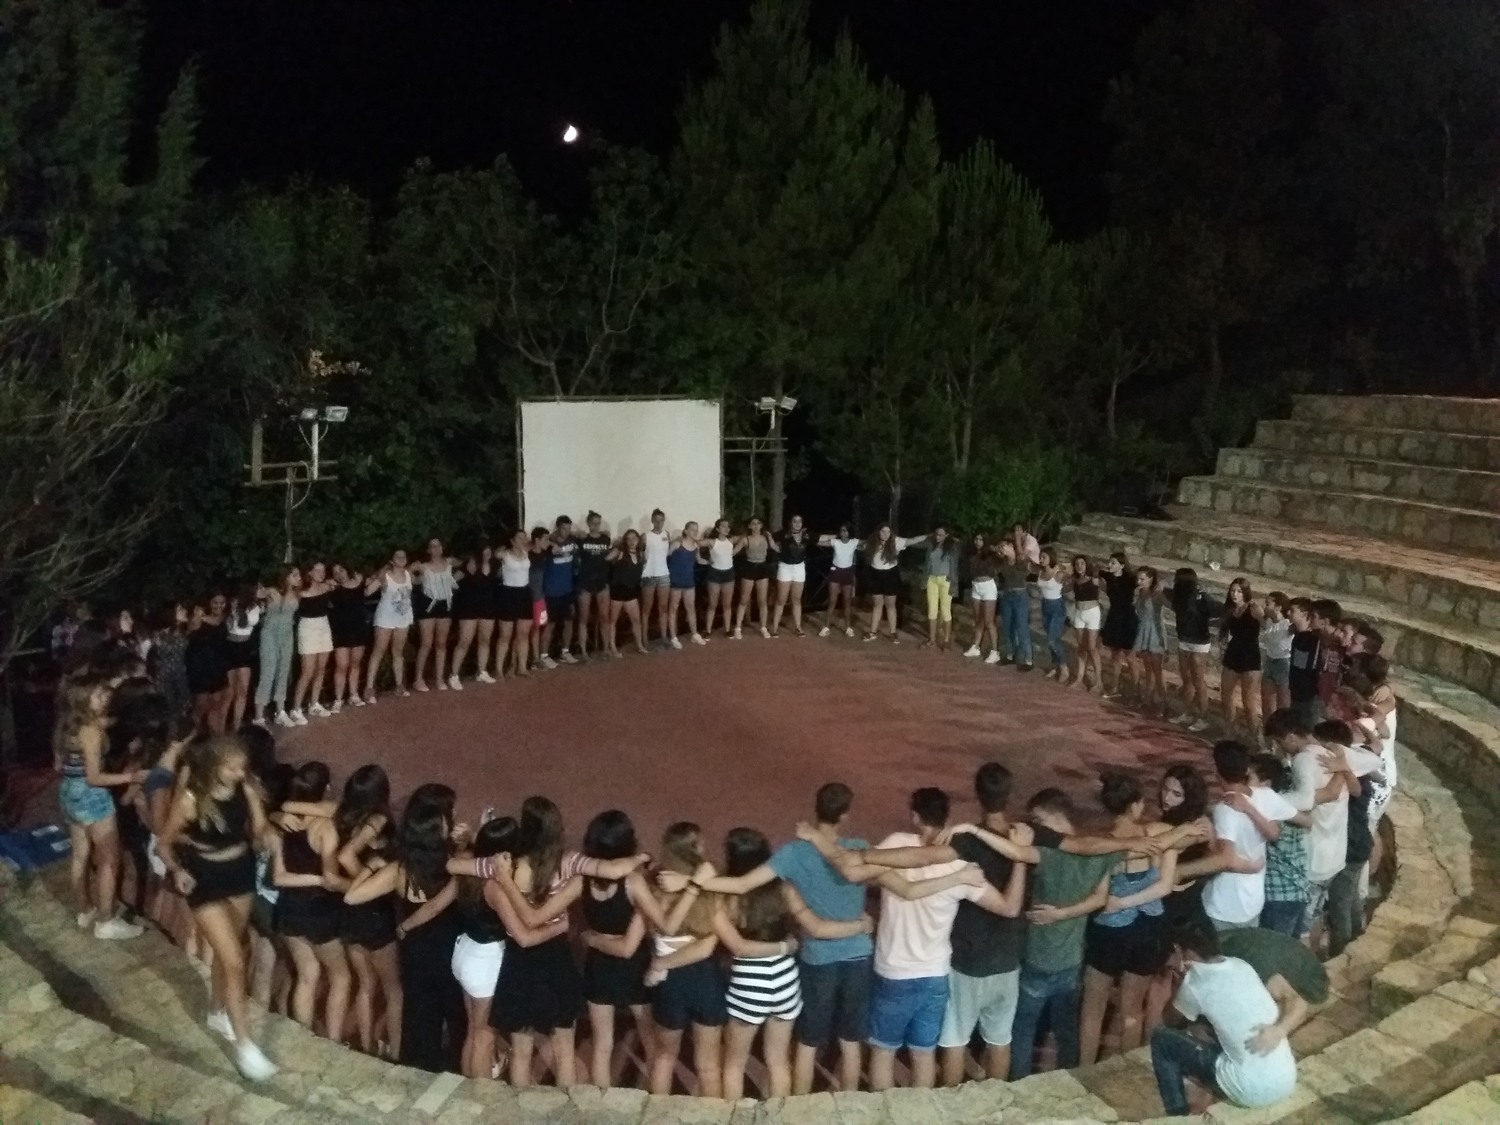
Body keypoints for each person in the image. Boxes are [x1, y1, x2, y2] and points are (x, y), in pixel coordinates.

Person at [857, 788, 1022, 1091]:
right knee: (923, 1054)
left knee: (883, 1052)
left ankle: (883, 1110)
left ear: (915, 816)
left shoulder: (895, 844)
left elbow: (861, 873)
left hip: (893, 971)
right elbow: (1008, 908)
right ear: (947, 818)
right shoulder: (959, 866)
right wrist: (1020, 858)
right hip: (935, 974)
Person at [709, 827, 874, 1100]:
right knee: (778, 1060)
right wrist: (858, 926)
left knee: (734, 1064)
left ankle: (736, 1115)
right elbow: (814, 926)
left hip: (749, 982)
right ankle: (782, 1115)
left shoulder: (723, 897)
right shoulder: (784, 889)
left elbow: (738, 947)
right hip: (784, 979)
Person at [157, 734, 278, 1080]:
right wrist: (178, 870)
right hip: (205, 879)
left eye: (242, 767)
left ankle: (216, 1011)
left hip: (240, 872)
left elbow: (258, 830)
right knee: (235, 961)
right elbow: (164, 843)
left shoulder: (245, 788)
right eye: (233, 768)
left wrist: (263, 824)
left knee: (230, 954)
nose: (240, 773)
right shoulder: (191, 800)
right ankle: (245, 1047)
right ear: (214, 767)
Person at [345, 784, 467, 1073]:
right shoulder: (453, 863)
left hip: (416, 948)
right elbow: (437, 906)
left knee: (420, 1007)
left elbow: (352, 896)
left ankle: (420, 1065)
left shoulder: (399, 869)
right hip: (448, 944)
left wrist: (370, 868)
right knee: (456, 1009)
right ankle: (456, 1064)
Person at [486, 796, 588, 1088]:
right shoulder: (565, 865)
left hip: (520, 962)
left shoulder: (514, 868)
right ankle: (565, 1107)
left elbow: (524, 921)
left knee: (521, 1052)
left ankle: (521, 1107)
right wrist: (561, 926)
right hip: (556, 959)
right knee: (565, 1051)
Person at [1078, 773, 1179, 1066]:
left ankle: (1085, 1069)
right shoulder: (1157, 836)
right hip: (1148, 927)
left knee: (1093, 1008)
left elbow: (1096, 890)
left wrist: (1117, 902)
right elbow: (1165, 885)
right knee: (1132, 1009)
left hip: (1109, 929)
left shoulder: (1102, 844)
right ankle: (1124, 1069)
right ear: (1135, 805)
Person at [1150, 919, 1299, 1117]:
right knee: (1207, 1030)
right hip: (1286, 1079)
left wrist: (1178, 987)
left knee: (1161, 1039)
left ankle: (1177, 1115)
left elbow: (1170, 1021)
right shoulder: (1241, 965)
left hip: (1251, 1090)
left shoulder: (1195, 983)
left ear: (1179, 949)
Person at [937, 764, 1026, 1084]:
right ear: (1009, 794)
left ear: (977, 794)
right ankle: (996, 1102)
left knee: (954, 1039)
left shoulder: (964, 841)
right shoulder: (1022, 841)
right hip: (1007, 958)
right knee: (1000, 1039)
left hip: (968, 959)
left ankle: (952, 1104)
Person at [55, 672, 146, 939]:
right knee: (109, 860)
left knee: (80, 855)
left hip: (69, 791)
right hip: (92, 797)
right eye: (98, 694)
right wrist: (131, 777)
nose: (105, 697)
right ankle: (106, 921)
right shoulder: (91, 731)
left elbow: (61, 763)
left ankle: (85, 909)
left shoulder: (66, 725)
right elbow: (94, 777)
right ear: (84, 698)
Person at [270, 761, 351, 1043]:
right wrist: (324, 881)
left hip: (289, 908)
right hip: (319, 911)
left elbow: (279, 877)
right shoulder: (325, 827)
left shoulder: (284, 825)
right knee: (341, 977)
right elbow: (330, 877)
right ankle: (334, 1042)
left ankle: (303, 1037)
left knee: (307, 974)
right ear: (326, 789)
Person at [333, 765, 402, 1058]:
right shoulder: (377, 820)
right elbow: (346, 855)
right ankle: (396, 1053)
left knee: (365, 984)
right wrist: (369, 880)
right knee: (394, 990)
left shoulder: (344, 817)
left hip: (351, 916)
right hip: (375, 915)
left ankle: (365, 1044)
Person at [1202, 741, 1297, 933]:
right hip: (1252, 901)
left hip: (1224, 904)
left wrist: (1210, 837)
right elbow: (1275, 833)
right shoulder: (1266, 795)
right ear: (1246, 769)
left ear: (1217, 772)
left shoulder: (1225, 810)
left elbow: (1225, 858)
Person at [363, 549, 415, 701]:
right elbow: (367, 591)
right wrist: (375, 578)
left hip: (403, 618)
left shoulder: (409, 575)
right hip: (385, 618)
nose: (401, 558)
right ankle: (369, 688)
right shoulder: (385, 576)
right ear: (391, 560)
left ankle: (399, 685)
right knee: (378, 651)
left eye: (403, 556)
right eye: (397, 556)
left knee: (398, 652)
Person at [1169, 568, 1216, 730]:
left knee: (1198, 680)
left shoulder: (1202, 597)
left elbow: (1219, 610)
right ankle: (1188, 712)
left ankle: (1203, 716)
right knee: (1186, 679)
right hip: (1184, 639)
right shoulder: (1178, 596)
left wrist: (1207, 623)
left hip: (1199, 642)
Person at [291, 561, 335, 721]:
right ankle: (296, 709)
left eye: (323, 571)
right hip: (307, 627)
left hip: (323, 625)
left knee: (321, 668)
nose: (321, 574)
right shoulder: (301, 591)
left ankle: (314, 703)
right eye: (317, 570)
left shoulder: (327, 587)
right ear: (309, 572)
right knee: (307, 671)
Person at [1219, 578, 1264, 736]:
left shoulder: (1253, 608)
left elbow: (1265, 624)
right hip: (1233, 653)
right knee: (1226, 695)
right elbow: (1224, 630)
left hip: (1250, 656)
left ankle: (1256, 738)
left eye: (1239, 591)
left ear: (1245, 592)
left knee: (1249, 702)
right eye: (1233, 590)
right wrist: (1222, 646)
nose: (1235, 594)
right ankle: (1229, 731)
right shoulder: (1230, 609)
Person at [863, 524, 919, 643]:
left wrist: (928, 536)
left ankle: (893, 633)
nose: (886, 534)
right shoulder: (871, 543)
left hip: (890, 575)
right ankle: (872, 632)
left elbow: (912, 540)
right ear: (878, 532)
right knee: (877, 604)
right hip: (875, 574)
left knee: (890, 605)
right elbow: (856, 544)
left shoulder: (895, 542)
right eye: (883, 531)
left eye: (888, 532)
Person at [449, 551, 498, 687]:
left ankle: (482, 671)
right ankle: (454, 675)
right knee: (464, 641)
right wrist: (460, 590)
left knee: (485, 640)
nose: (487, 554)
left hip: (488, 607)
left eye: (489, 552)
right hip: (469, 608)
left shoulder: (494, 565)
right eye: (484, 552)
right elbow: (452, 581)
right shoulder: (468, 565)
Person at [494, 529, 538, 676]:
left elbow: (540, 542)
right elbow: (494, 553)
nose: (523, 540)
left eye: (524, 538)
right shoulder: (504, 554)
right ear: (512, 540)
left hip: (524, 593)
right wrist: (500, 548)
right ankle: (499, 669)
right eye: (519, 538)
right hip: (508, 593)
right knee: (505, 635)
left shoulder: (526, 551)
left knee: (523, 634)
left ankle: (522, 667)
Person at [186, 594, 232, 734]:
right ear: (208, 603)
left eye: (222, 602)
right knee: (200, 706)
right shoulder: (198, 618)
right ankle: (190, 737)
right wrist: (197, 618)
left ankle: (215, 738)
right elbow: (189, 635)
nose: (219, 605)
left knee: (216, 705)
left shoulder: (226, 618)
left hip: (217, 667)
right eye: (215, 602)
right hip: (200, 668)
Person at [328, 564, 371, 710]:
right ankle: (338, 699)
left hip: (358, 628)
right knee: (341, 665)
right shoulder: (333, 589)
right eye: (335, 573)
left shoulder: (359, 585)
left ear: (347, 570)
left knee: (355, 663)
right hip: (341, 630)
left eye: (341, 570)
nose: (339, 574)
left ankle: (353, 694)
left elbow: (376, 580)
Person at [541, 516, 580, 667]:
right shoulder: (548, 542)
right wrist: (550, 542)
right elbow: (533, 545)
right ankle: (544, 655)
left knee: (569, 621)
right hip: (551, 590)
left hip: (567, 589)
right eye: (564, 528)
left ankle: (565, 651)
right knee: (550, 624)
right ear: (557, 528)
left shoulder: (572, 540)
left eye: (569, 528)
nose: (567, 531)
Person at [576, 512, 614, 658]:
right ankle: (583, 651)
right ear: (588, 523)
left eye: (598, 523)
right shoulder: (582, 539)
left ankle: (606, 648)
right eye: (593, 523)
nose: (596, 526)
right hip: (585, 582)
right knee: (583, 618)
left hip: (602, 582)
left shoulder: (605, 539)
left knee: (604, 617)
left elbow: (610, 555)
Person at [1099, 552, 1138, 697]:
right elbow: (1099, 572)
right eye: (1109, 562)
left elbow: (1141, 583)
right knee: (1115, 654)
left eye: (1113, 563)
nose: (1110, 565)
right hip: (1114, 615)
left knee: (1130, 655)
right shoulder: (1109, 577)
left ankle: (1136, 690)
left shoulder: (1130, 579)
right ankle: (1114, 687)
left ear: (1122, 565)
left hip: (1127, 616)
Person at [605, 529, 648, 657]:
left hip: (631, 591)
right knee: (613, 621)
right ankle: (613, 648)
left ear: (638, 540)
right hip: (618, 591)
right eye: (628, 539)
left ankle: (640, 646)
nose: (631, 541)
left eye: (634, 538)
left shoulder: (640, 554)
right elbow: (607, 558)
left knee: (636, 620)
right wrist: (617, 546)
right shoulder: (620, 552)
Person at [1132, 567, 1169, 714]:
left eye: (1142, 579)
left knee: (1158, 671)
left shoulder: (1156, 594)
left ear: (1151, 579)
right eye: (1138, 579)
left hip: (1155, 632)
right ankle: (1148, 700)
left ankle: (1163, 703)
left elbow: (1170, 605)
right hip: (1143, 631)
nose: (1139, 582)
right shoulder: (1139, 592)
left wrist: (1163, 587)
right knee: (1148, 670)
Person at [147, 601, 192, 721]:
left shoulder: (187, 633)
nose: (185, 611)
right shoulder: (160, 635)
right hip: (165, 678)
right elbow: (153, 656)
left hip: (182, 677)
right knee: (169, 712)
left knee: (183, 711)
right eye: (180, 609)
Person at [223, 588, 260, 730]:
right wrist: (233, 612)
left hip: (245, 647)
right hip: (230, 647)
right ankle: (222, 725)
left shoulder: (255, 607)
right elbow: (229, 627)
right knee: (230, 691)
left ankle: (236, 726)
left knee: (243, 689)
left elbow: (250, 622)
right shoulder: (231, 607)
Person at [770, 515, 812, 638]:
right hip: (785, 567)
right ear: (790, 523)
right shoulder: (783, 534)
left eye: (800, 521)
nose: (797, 523)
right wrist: (775, 547)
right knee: (781, 599)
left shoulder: (806, 535)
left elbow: (822, 538)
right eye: (795, 521)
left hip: (799, 567)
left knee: (796, 599)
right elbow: (770, 539)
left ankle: (798, 627)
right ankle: (775, 628)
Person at [734, 517, 776, 640]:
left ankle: (763, 627)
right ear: (749, 526)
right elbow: (733, 551)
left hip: (762, 567)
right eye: (753, 523)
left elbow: (774, 547)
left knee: (762, 600)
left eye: (758, 523)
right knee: (744, 600)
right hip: (749, 567)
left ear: (761, 525)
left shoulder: (766, 537)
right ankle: (737, 628)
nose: (756, 526)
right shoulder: (745, 539)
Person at [667, 521, 707, 648]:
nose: (695, 532)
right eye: (692, 529)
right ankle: (673, 637)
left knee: (691, 608)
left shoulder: (695, 546)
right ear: (686, 531)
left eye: (697, 529)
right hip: (676, 581)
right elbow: (666, 555)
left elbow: (699, 560)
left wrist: (712, 562)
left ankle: (694, 634)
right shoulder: (677, 544)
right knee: (673, 608)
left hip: (689, 581)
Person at [962, 532, 1000, 662]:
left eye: (981, 540)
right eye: (976, 539)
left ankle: (995, 651)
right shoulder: (972, 554)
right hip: (976, 586)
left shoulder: (990, 554)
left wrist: (993, 548)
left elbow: (1001, 555)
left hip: (988, 586)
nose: (978, 542)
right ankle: (976, 646)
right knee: (978, 619)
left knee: (989, 621)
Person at [817, 524, 859, 638]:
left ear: (849, 532)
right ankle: (826, 627)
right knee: (832, 601)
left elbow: (867, 544)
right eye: (841, 531)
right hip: (835, 572)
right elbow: (819, 542)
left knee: (847, 602)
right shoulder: (835, 542)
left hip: (847, 573)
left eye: (845, 531)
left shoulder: (854, 542)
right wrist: (810, 539)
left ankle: (848, 628)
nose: (843, 533)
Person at [997, 539, 1034, 671]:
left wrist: (1017, 543)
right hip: (1007, 595)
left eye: (1003, 546)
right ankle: (1010, 654)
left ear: (1010, 546)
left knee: (1021, 627)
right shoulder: (1004, 562)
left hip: (1020, 596)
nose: (1001, 549)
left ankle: (1028, 660)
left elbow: (1025, 566)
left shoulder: (1020, 560)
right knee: (1008, 626)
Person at [1066, 555, 1102, 689]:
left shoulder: (1093, 580)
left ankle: (1098, 681)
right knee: (1081, 647)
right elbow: (1064, 589)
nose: (1079, 566)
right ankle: (1079, 677)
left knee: (1092, 647)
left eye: (1082, 563)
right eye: (1077, 564)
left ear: (1087, 565)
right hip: (1079, 613)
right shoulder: (1075, 580)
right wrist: (1066, 576)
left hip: (1092, 613)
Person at [702, 518, 741, 639]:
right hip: (715, 574)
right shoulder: (712, 542)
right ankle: (708, 630)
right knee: (712, 604)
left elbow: (745, 537)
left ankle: (728, 629)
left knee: (727, 604)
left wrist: (735, 551)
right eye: (723, 526)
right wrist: (702, 559)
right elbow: (694, 543)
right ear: (718, 529)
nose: (726, 528)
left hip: (728, 574)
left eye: (728, 526)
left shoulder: (731, 540)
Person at [921, 525, 959, 651]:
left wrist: (953, 582)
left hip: (945, 580)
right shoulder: (931, 545)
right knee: (932, 610)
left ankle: (946, 640)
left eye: (941, 535)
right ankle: (932, 639)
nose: (938, 537)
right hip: (932, 579)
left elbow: (955, 565)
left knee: (945, 610)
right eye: (936, 534)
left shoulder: (952, 547)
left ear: (947, 535)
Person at [639, 509, 673, 647]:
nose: (659, 523)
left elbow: (667, 552)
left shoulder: (666, 534)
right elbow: (640, 554)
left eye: (661, 520)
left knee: (663, 608)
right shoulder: (645, 536)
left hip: (663, 574)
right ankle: (644, 638)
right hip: (649, 575)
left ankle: (664, 636)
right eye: (656, 521)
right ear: (652, 521)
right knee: (646, 608)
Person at [1259, 593, 1292, 720]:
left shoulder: (1288, 625)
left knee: (1283, 705)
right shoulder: (1268, 621)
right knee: (1267, 704)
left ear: (1278, 607)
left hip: (1284, 664)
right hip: (1270, 661)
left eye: (1268, 603)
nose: (1265, 606)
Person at [1036, 548, 1068, 677]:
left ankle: (1064, 667)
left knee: (1052, 639)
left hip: (1056, 606)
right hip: (1045, 605)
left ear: (1051, 558)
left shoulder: (1058, 573)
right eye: (1040, 557)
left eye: (1044, 557)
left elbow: (1069, 580)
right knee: (1049, 637)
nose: (1041, 560)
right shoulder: (1040, 572)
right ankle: (1054, 665)